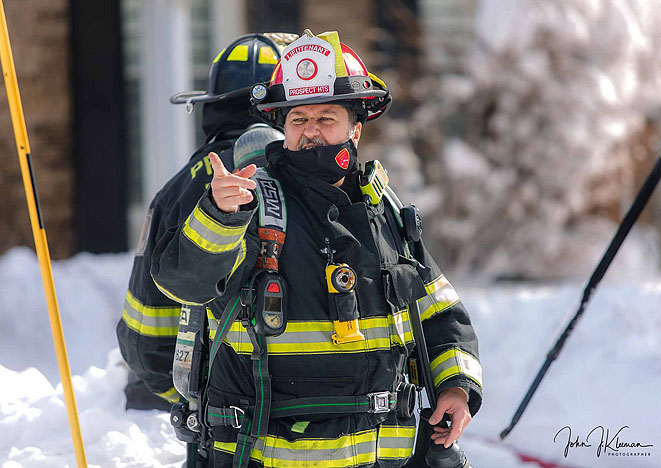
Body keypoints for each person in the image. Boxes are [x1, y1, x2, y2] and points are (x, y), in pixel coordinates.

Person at [150, 30, 482, 468]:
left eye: (326, 118)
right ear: (281, 127)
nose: (311, 132)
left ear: (356, 129)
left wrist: (457, 387)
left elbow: (439, 313)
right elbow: (181, 282)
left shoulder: (382, 210)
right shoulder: (249, 204)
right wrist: (218, 214)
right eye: (298, 119)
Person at [116, 33, 297, 411]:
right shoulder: (320, 176)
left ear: (211, 106)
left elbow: (145, 335)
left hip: (218, 413)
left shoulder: (179, 189)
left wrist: (187, 400)